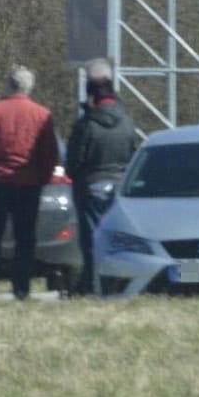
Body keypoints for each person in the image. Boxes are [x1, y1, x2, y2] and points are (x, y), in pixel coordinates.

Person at [0, 65, 60, 299]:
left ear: (8, 84)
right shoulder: (42, 114)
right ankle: (21, 286)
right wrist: (43, 178)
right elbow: (49, 153)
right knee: (25, 238)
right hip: (28, 184)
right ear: (29, 87)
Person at [65, 58, 137, 294]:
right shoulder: (128, 123)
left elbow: (74, 161)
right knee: (118, 237)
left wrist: (76, 175)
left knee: (91, 239)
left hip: (91, 185)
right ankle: (116, 282)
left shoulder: (86, 125)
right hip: (118, 183)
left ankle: (92, 283)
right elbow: (132, 154)